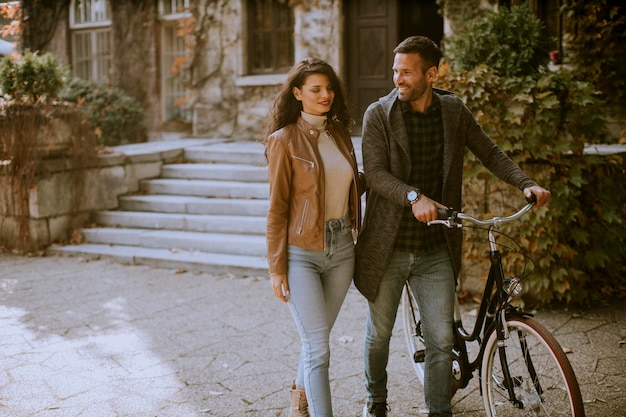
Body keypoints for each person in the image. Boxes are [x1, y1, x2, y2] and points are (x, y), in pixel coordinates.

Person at [354, 36, 551, 417]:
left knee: (442, 340)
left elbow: (490, 151)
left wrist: (525, 182)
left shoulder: (453, 111)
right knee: (378, 335)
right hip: (388, 246)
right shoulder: (378, 114)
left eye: (406, 72)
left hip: (436, 249)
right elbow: (375, 174)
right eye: (395, 71)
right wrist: (414, 197)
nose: (398, 79)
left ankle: (438, 410)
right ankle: (376, 400)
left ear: (432, 73)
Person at [264, 57, 364, 417]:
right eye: (316, 89)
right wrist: (277, 268)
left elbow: (352, 183)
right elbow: (277, 208)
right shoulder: (284, 141)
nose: (325, 95)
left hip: (342, 250)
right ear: (297, 93)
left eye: (329, 88)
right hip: (301, 253)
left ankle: (299, 402)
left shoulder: (338, 134)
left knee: (314, 343)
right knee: (320, 349)